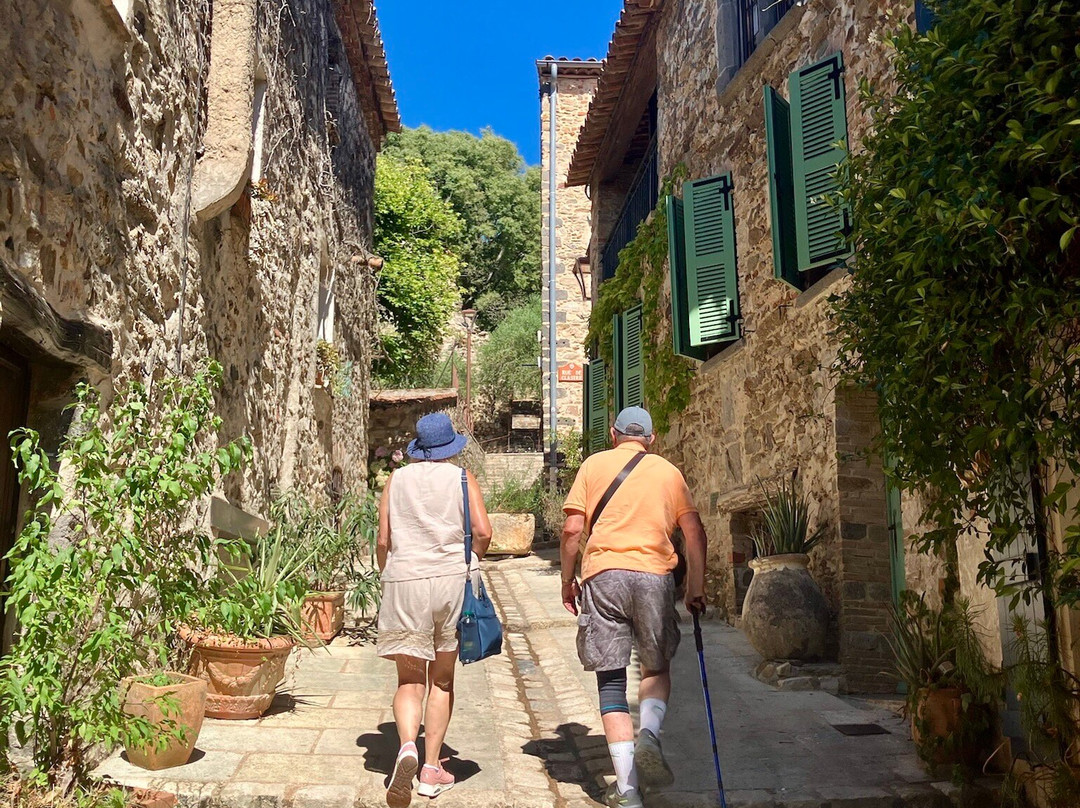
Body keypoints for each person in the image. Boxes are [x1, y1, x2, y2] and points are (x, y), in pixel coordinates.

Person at [560, 406, 707, 808]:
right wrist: (695, 586)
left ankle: (627, 792)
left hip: (603, 576)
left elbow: (573, 529)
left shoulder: (593, 466)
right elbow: (693, 531)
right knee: (655, 667)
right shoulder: (667, 472)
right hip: (654, 577)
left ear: (613, 434)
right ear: (651, 439)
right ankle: (650, 736)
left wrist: (566, 580)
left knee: (611, 680)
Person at [376, 412, 492, 808]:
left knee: (409, 680)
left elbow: (383, 540)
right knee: (441, 680)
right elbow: (483, 532)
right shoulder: (462, 479)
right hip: (450, 583)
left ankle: (407, 746)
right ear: (449, 448)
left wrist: (389, 575)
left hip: (405, 582)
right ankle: (430, 770)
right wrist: (470, 561)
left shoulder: (396, 480)